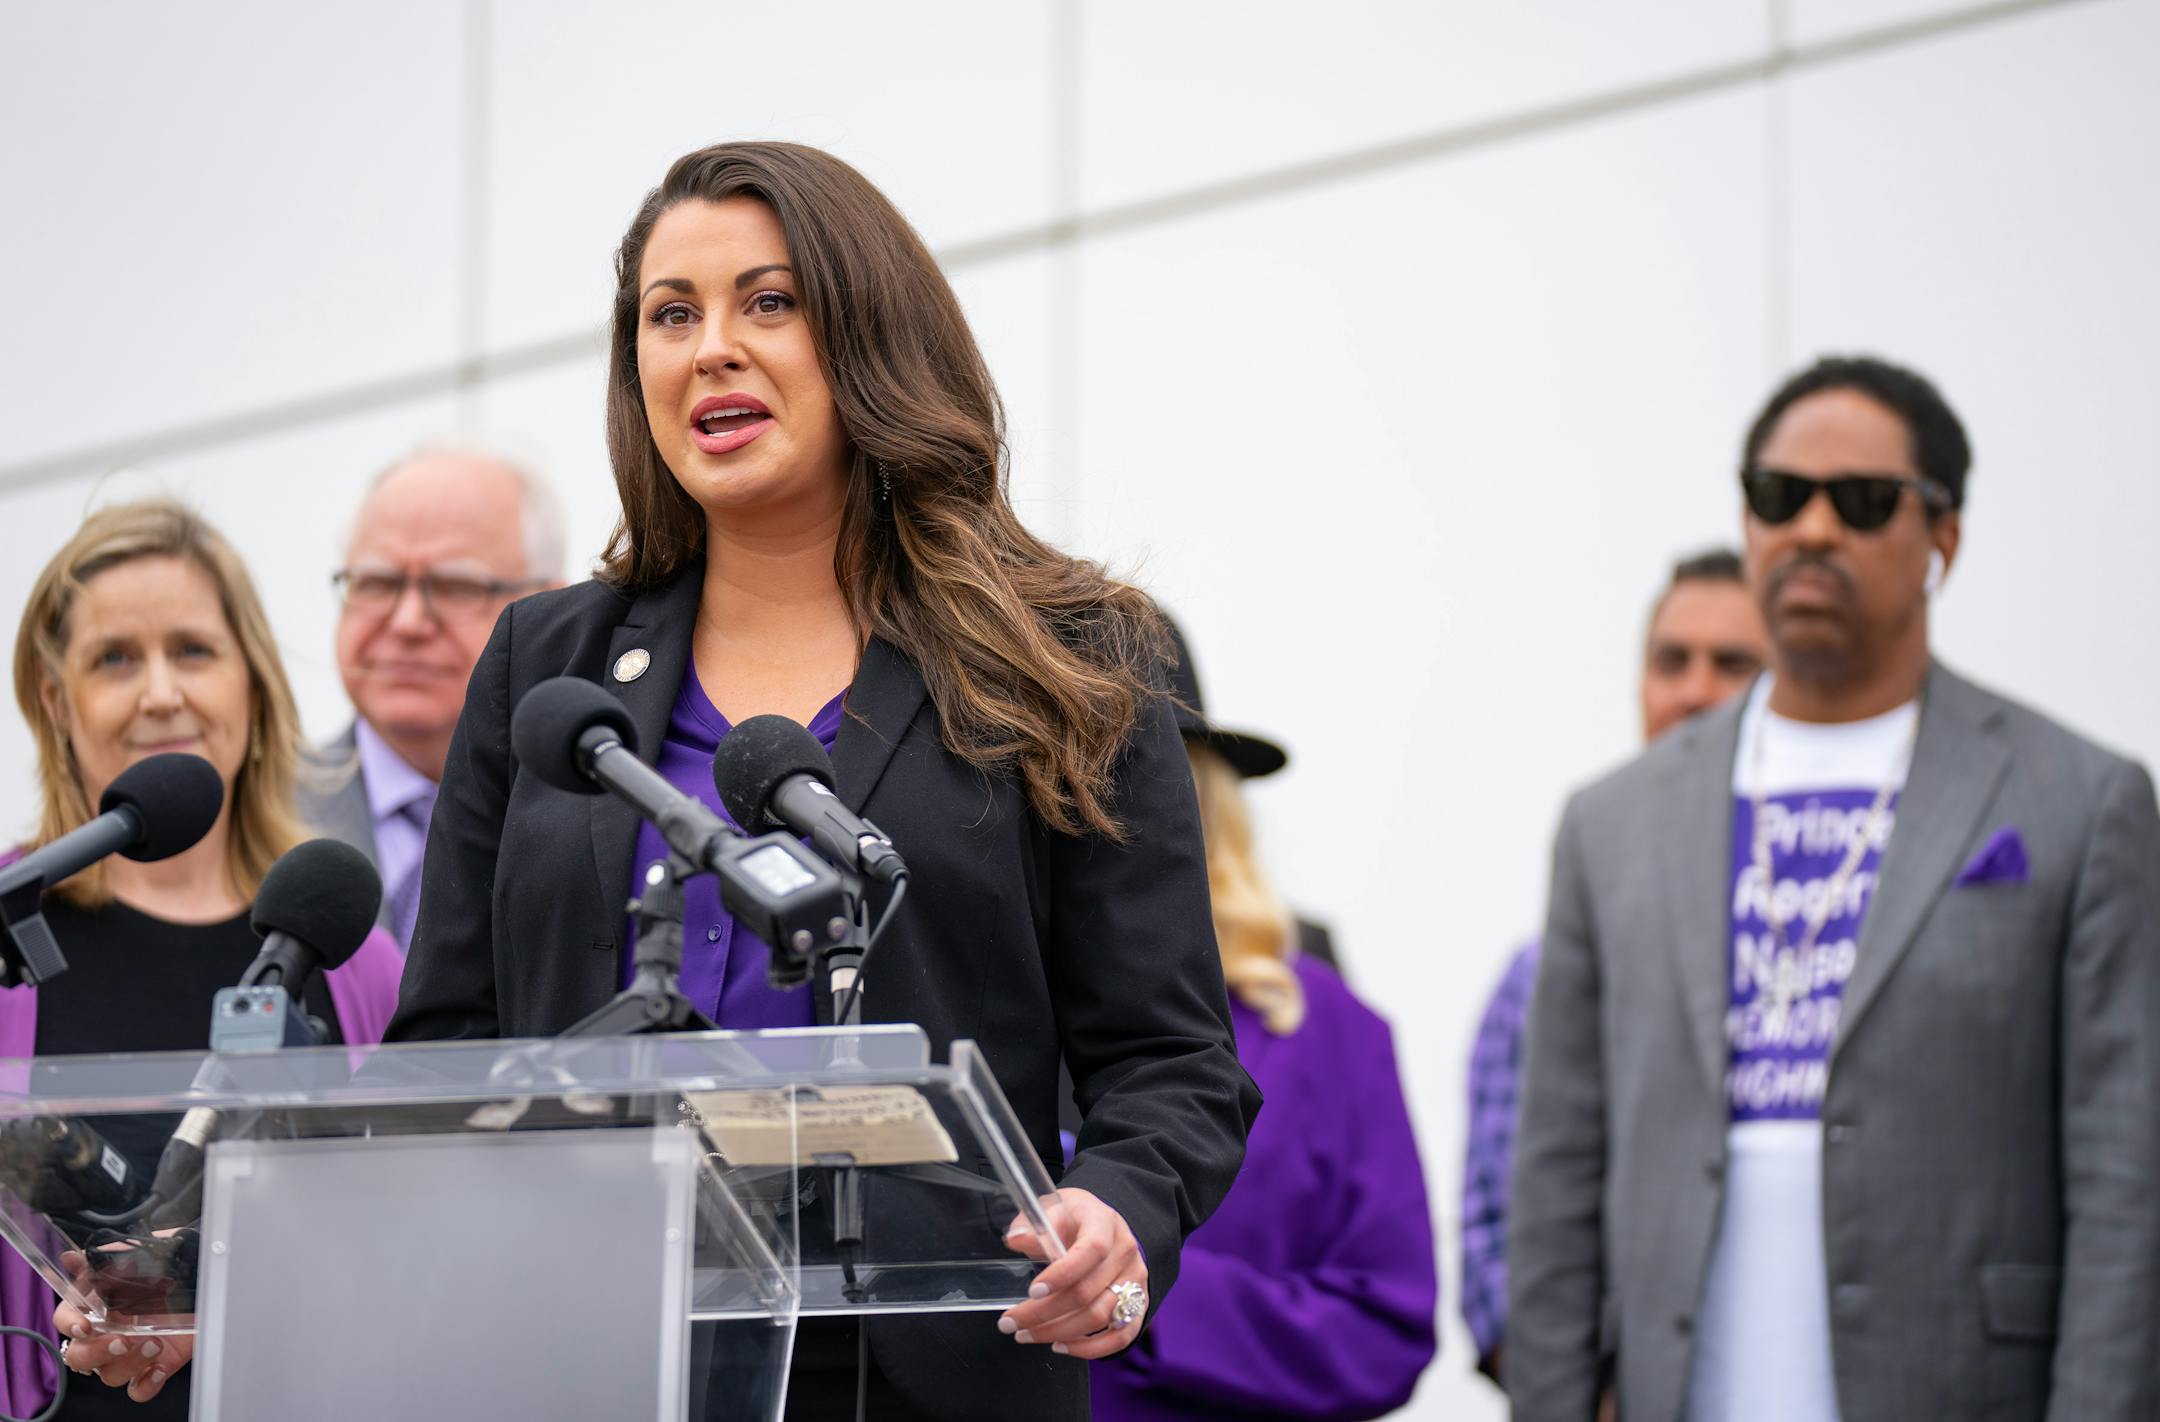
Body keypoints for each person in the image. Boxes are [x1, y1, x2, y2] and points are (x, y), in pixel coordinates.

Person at [385, 142, 1257, 1421]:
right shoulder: (546, 666)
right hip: (587, 1354)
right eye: (671, 315)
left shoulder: (1070, 661)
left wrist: (1117, 1217)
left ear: (870, 334)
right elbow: (444, 1044)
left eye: (768, 302)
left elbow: (1171, 1061)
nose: (711, 348)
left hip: (934, 1361)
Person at [1509, 357, 2160, 1422]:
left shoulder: (2079, 801)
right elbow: (1556, 1179)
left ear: (1941, 539)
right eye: (1780, 496)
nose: (1813, 528)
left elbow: (2126, 1188)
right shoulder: (1613, 820)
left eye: (1861, 503)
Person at [0, 499, 404, 1419]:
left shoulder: (353, 957)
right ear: (57, 703)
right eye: (113, 659)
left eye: (192, 650)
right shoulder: (3, 941)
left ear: (253, 686)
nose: (160, 693)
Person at [1088, 619, 1438, 1420]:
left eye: (1132, 773)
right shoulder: (958, 1026)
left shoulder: (1322, 1030)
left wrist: (1137, 1281)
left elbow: (1383, 1329)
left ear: (1201, 799)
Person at [1459, 549, 1766, 1386]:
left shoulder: (1827, 938)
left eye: (1733, 663)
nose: (1694, 690)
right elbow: (1497, 1236)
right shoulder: (1540, 975)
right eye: (1672, 661)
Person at [304, 443, 565, 949]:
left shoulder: (608, 817)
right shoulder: (254, 809)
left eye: (454, 586)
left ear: (549, 607)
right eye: (377, 582)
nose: (406, 623)